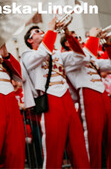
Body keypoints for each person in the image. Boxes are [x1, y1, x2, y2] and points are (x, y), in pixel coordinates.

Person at [21, 18, 90, 169]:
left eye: (42, 30)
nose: (42, 32)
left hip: (66, 98)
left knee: (78, 144)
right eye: (37, 32)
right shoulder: (27, 55)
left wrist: (67, 34)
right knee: (53, 148)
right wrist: (51, 30)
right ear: (30, 40)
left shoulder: (57, 54)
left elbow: (81, 57)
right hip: (49, 99)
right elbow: (40, 56)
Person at [63, 27, 111, 168]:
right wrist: (93, 37)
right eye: (75, 38)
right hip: (87, 95)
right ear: (67, 43)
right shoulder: (67, 57)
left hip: (102, 95)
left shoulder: (90, 57)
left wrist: (108, 44)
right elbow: (83, 57)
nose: (79, 40)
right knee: (92, 140)